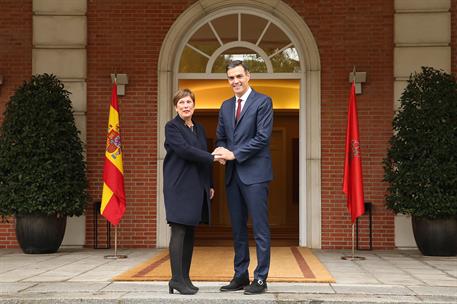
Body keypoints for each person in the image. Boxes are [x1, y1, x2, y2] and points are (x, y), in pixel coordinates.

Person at [213, 60, 273, 295]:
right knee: (237, 228)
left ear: (248, 76)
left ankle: (260, 278)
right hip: (232, 175)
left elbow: (262, 138)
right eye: (231, 78)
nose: (235, 81)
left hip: (256, 174)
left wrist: (234, 154)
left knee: (259, 228)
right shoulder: (226, 106)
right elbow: (220, 137)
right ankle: (240, 275)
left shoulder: (263, 102)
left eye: (239, 76)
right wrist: (220, 151)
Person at [163, 88, 223, 295]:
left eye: (188, 102)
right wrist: (213, 157)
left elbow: (203, 158)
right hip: (178, 186)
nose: (185, 106)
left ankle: (185, 278)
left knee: (189, 231)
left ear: (194, 105)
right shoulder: (171, 127)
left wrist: (211, 184)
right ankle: (176, 279)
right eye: (181, 103)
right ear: (176, 107)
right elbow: (185, 151)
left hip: (197, 186)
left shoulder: (199, 128)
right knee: (179, 230)